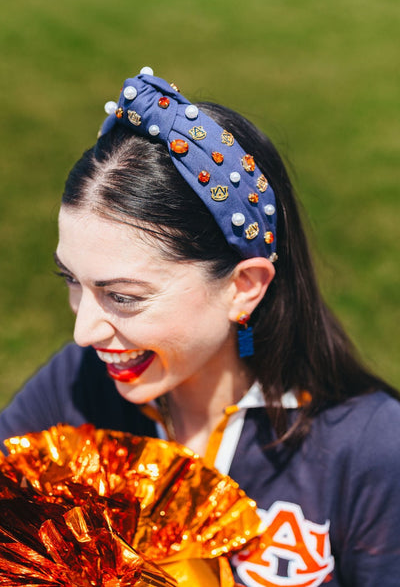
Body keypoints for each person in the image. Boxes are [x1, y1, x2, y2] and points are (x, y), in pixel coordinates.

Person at [0, 66, 399, 586]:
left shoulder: (369, 447)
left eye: (123, 296)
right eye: (72, 280)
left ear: (244, 286)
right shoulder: (74, 388)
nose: (85, 332)